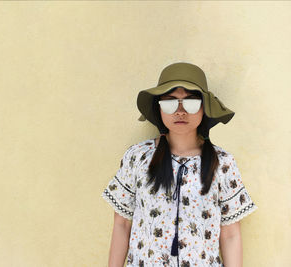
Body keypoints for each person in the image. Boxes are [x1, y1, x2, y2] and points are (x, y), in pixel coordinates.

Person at [101, 62, 258, 267]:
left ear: (204, 107)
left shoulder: (223, 163)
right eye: (170, 102)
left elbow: (230, 235)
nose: (181, 111)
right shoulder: (138, 157)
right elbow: (122, 224)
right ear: (159, 107)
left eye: (191, 102)